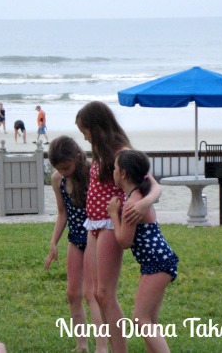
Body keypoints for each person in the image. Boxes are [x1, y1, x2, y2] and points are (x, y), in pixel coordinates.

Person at [75, 101, 162, 353]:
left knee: (105, 293)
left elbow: (154, 185)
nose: (84, 137)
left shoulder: (121, 153)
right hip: (94, 224)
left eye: (85, 131)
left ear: (96, 127)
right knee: (96, 293)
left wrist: (144, 202)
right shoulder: (101, 152)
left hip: (110, 226)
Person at [108, 150, 178, 353]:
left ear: (123, 174)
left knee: (140, 319)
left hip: (157, 263)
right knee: (150, 320)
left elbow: (124, 242)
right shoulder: (140, 194)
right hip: (159, 262)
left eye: (114, 168)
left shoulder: (132, 204)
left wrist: (113, 215)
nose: (113, 171)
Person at [45, 136, 107, 353]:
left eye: (66, 167)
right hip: (75, 239)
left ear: (78, 157)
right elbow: (63, 213)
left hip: (95, 238)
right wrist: (54, 242)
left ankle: (102, 347)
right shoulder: (58, 180)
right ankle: (81, 345)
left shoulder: (93, 175)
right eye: (59, 168)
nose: (63, 172)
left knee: (91, 294)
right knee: (72, 293)